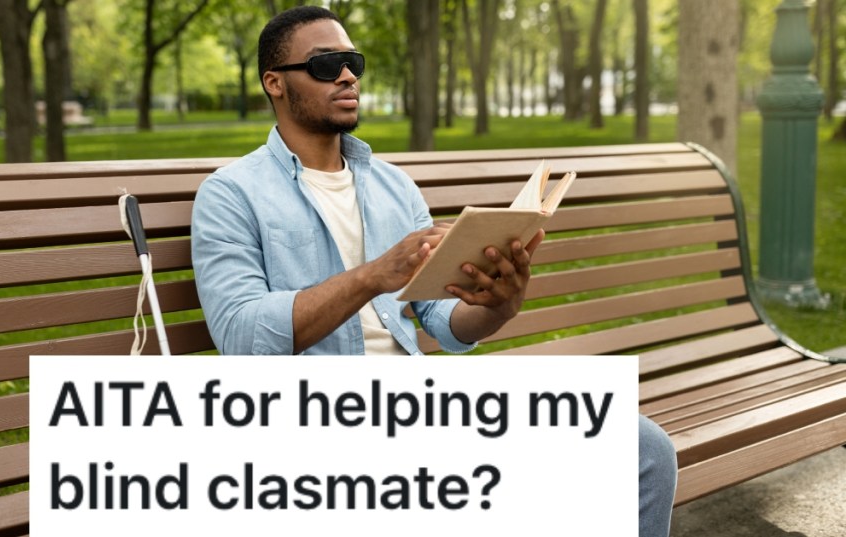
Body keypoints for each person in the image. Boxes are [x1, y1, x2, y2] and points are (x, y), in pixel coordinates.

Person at [191, 6, 676, 536]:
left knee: (643, 450)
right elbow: (240, 336)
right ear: (274, 83)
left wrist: (496, 305)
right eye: (328, 64)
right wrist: (372, 276)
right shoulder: (231, 195)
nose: (349, 75)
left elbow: (442, 318)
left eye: (353, 61)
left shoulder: (393, 186)